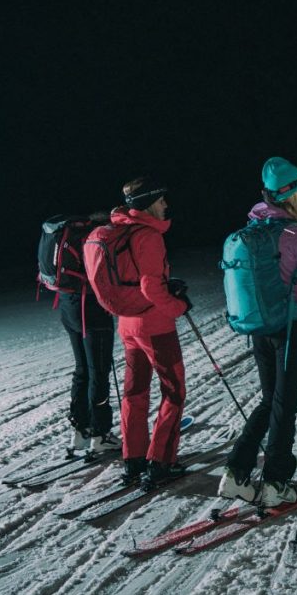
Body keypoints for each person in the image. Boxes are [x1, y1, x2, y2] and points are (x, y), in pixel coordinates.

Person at [217, 156, 297, 507]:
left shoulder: (256, 227)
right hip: (293, 328)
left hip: (261, 327)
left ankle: (236, 473)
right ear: (292, 194)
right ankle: (276, 481)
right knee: (285, 406)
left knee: (270, 399)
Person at [112, 176, 192, 485]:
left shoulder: (122, 229)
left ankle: (133, 458)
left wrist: (164, 285)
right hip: (154, 327)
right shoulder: (148, 236)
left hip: (128, 324)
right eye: (160, 200)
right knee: (174, 391)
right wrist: (178, 306)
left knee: (135, 391)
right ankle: (161, 461)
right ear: (147, 204)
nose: (166, 205)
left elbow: (138, 279)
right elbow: (150, 288)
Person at [59, 212, 119, 457]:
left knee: (82, 369)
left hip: (68, 305)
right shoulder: (97, 237)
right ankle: (100, 434)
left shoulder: (71, 234)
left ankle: (80, 431)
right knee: (99, 372)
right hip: (92, 309)